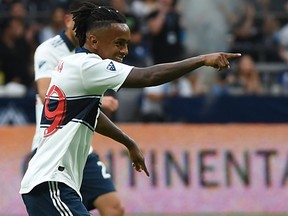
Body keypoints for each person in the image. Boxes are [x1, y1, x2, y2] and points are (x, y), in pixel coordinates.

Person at [20, 3, 240, 215]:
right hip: (51, 183)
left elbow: (93, 116)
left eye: (126, 43)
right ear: (94, 40)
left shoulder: (75, 66)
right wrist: (201, 60)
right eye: (119, 43)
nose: (124, 50)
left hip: (50, 182)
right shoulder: (87, 66)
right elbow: (149, 76)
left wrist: (128, 142)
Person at [22, 1, 125, 216]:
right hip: (53, 144)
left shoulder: (94, 54)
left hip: (80, 148)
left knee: (114, 206)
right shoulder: (49, 50)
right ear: (67, 21)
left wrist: (128, 142)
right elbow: (45, 92)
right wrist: (98, 101)